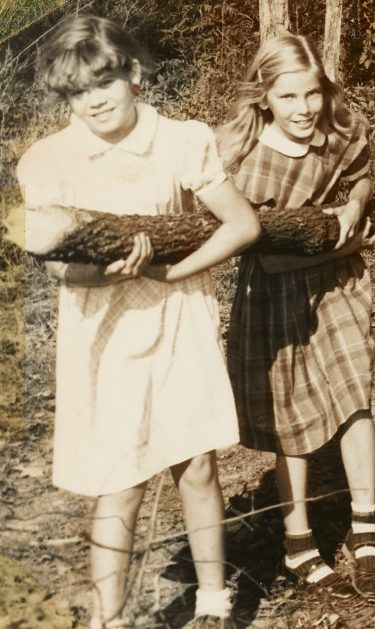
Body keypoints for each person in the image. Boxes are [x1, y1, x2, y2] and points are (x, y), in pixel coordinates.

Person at [16, 15, 261, 629]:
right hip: (104, 332)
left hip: (177, 318)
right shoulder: (48, 159)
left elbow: (242, 224)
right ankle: (109, 619)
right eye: (76, 91)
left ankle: (212, 602)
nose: (94, 100)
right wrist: (114, 273)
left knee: (196, 464)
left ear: (133, 72)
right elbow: (58, 271)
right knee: (118, 480)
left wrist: (173, 274)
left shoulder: (181, 139)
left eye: (104, 81)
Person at [216, 33, 375, 602]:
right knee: (292, 414)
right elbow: (264, 251)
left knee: (352, 392)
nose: (304, 109)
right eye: (288, 97)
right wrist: (346, 243)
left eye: (311, 93)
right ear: (264, 96)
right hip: (274, 289)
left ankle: (366, 531)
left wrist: (354, 207)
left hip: (335, 286)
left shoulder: (336, 129)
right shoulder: (242, 158)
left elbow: (362, 174)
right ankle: (298, 542)